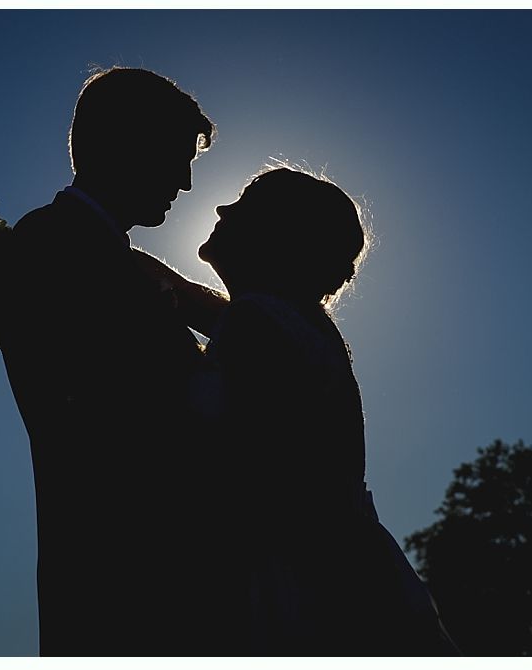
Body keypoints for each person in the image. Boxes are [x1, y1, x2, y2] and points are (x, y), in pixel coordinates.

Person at [137, 166, 459, 655]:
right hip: (346, 577)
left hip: (296, 590)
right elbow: (203, 306)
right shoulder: (294, 322)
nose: (223, 209)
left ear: (274, 235)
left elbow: (206, 443)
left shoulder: (257, 325)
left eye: (242, 203)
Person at [0, 67, 215, 656]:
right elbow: (142, 414)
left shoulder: (101, 252)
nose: (188, 181)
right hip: (126, 588)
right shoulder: (58, 248)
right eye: (177, 155)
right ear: (127, 145)